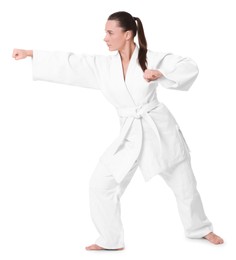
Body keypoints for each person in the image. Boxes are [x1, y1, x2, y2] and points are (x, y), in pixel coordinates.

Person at [12, 11, 223, 250]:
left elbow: (188, 65)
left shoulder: (151, 58)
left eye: (110, 32)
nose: (105, 38)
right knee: (100, 185)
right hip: (130, 135)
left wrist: (162, 74)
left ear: (127, 35)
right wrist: (32, 54)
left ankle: (200, 229)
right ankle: (111, 239)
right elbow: (72, 62)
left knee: (184, 184)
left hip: (159, 131)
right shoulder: (104, 67)